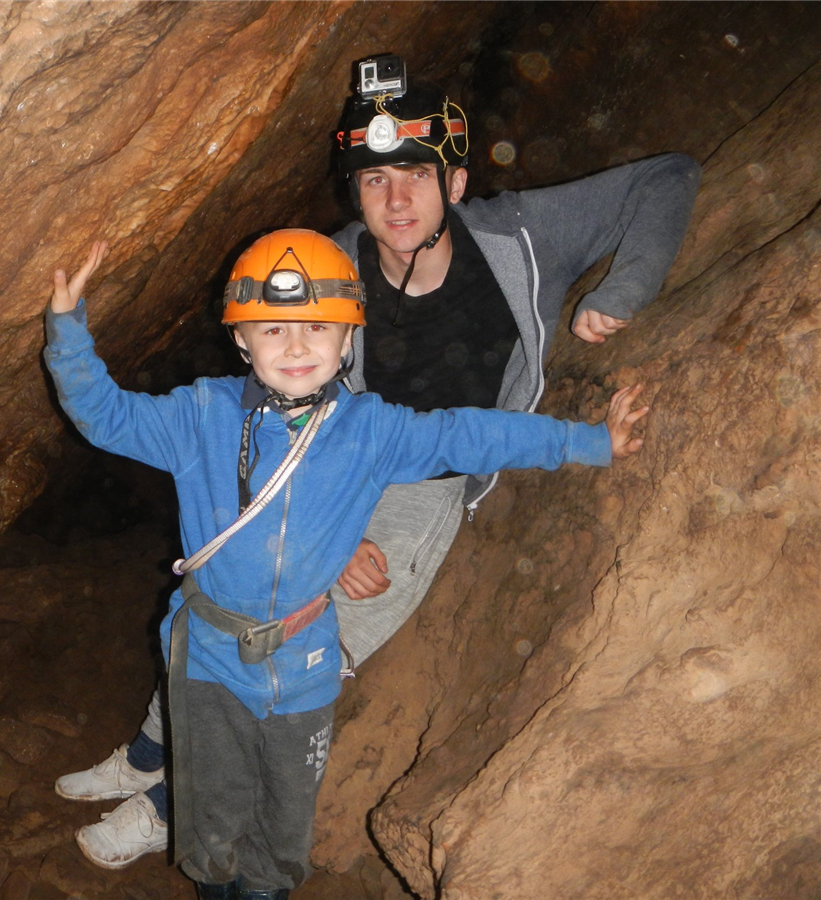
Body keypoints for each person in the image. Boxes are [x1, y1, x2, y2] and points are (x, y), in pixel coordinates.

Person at [56, 53, 700, 870]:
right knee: (229, 592)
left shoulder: (522, 235)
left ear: (455, 184)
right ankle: (150, 752)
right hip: (333, 449)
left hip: (424, 475)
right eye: (374, 180)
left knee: (310, 633)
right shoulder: (331, 267)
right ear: (354, 193)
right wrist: (327, 532)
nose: (396, 201)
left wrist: (622, 291)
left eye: (416, 177)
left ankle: (170, 803)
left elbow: (669, 178)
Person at [45, 227, 648, 899]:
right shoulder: (199, 416)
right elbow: (105, 416)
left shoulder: (373, 431)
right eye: (272, 330)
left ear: (348, 339)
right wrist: (68, 328)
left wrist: (589, 442)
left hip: (304, 666)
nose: (296, 347)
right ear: (241, 340)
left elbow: (473, 434)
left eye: (318, 327)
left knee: (282, 825)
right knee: (212, 821)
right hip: (210, 662)